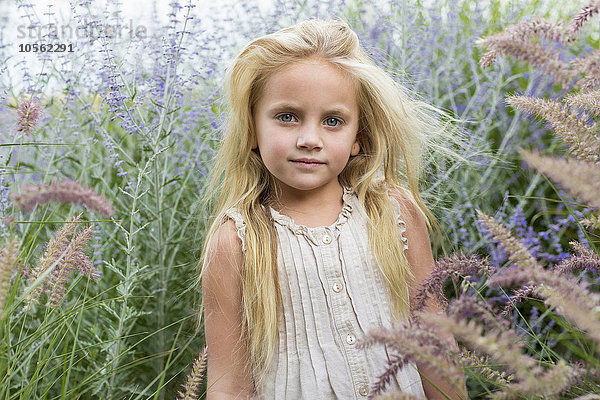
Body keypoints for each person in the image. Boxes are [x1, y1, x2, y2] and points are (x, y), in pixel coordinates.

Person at [198, 18, 466, 400]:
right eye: (287, 116)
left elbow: (432, 336)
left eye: (333, 121)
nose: (310, 140)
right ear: (252, 130)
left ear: (358, 138)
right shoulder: (236, 242)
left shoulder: (393, 214)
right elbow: (229, 383)